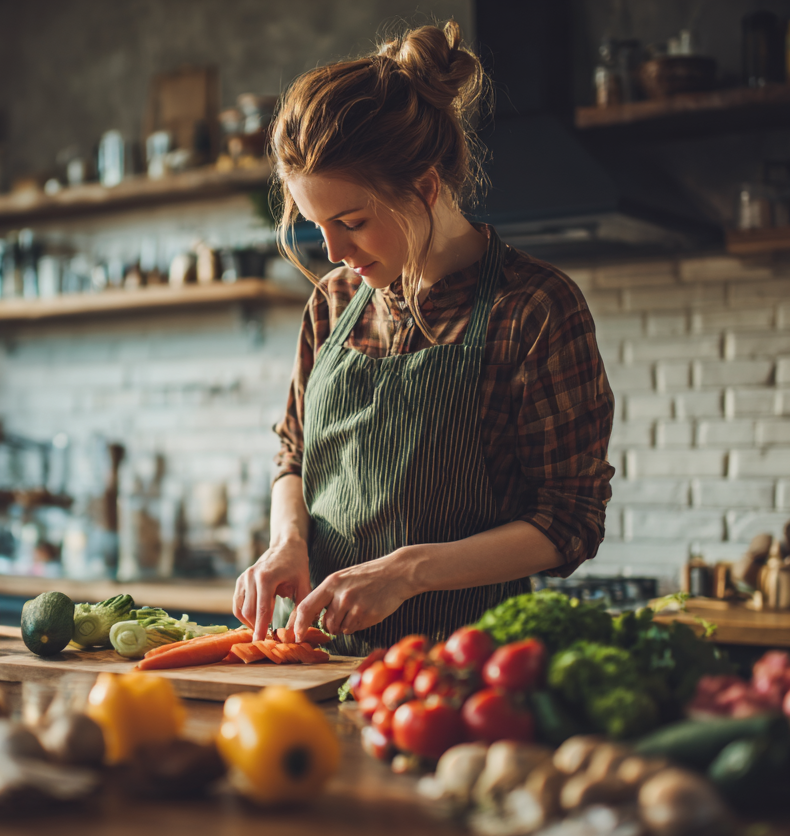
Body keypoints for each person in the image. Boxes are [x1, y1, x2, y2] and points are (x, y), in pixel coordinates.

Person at [231, 20, 615, 654]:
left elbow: (569, 521)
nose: (333, 251)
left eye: (351, 222)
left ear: (425, 188)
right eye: (315, 223)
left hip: (459, 674)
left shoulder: (535, 309)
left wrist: (409, 572)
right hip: (315, 665)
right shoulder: (333, 302)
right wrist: (287, 541)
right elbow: (293, 457)